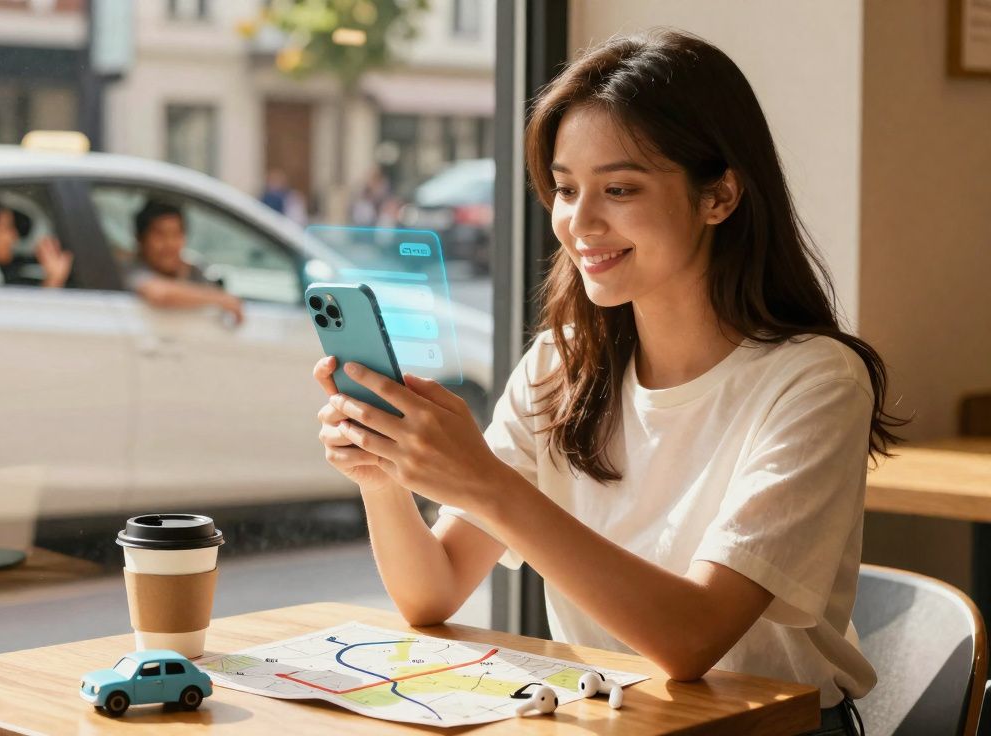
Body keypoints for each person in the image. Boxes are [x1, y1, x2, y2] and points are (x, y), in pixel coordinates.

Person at [313, 30, 902, 736]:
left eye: (618, 189)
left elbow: (692, 640)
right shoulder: (561, 367)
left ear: (719, 196)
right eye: (564, 189)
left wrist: (487, 484)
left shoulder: (813, 382)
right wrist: (381, 472)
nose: (579, 222)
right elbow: (431, 593)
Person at [129, 199, 244, 324]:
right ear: (141, 239)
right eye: (160, 235)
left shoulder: (193, 270)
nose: (169, 244)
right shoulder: (131, 269)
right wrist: (222, 299)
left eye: (176, 234)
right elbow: (160, 294)